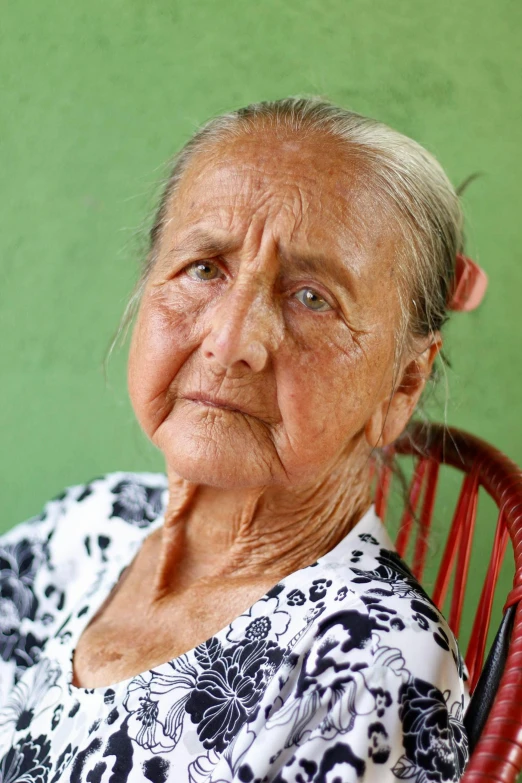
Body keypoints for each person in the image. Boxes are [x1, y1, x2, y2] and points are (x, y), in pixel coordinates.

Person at [0, 97, 482, 783]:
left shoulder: (368, 670)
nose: (230, 342)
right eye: (204, 268)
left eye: (312, 297)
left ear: (402, 384)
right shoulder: (91, 522)